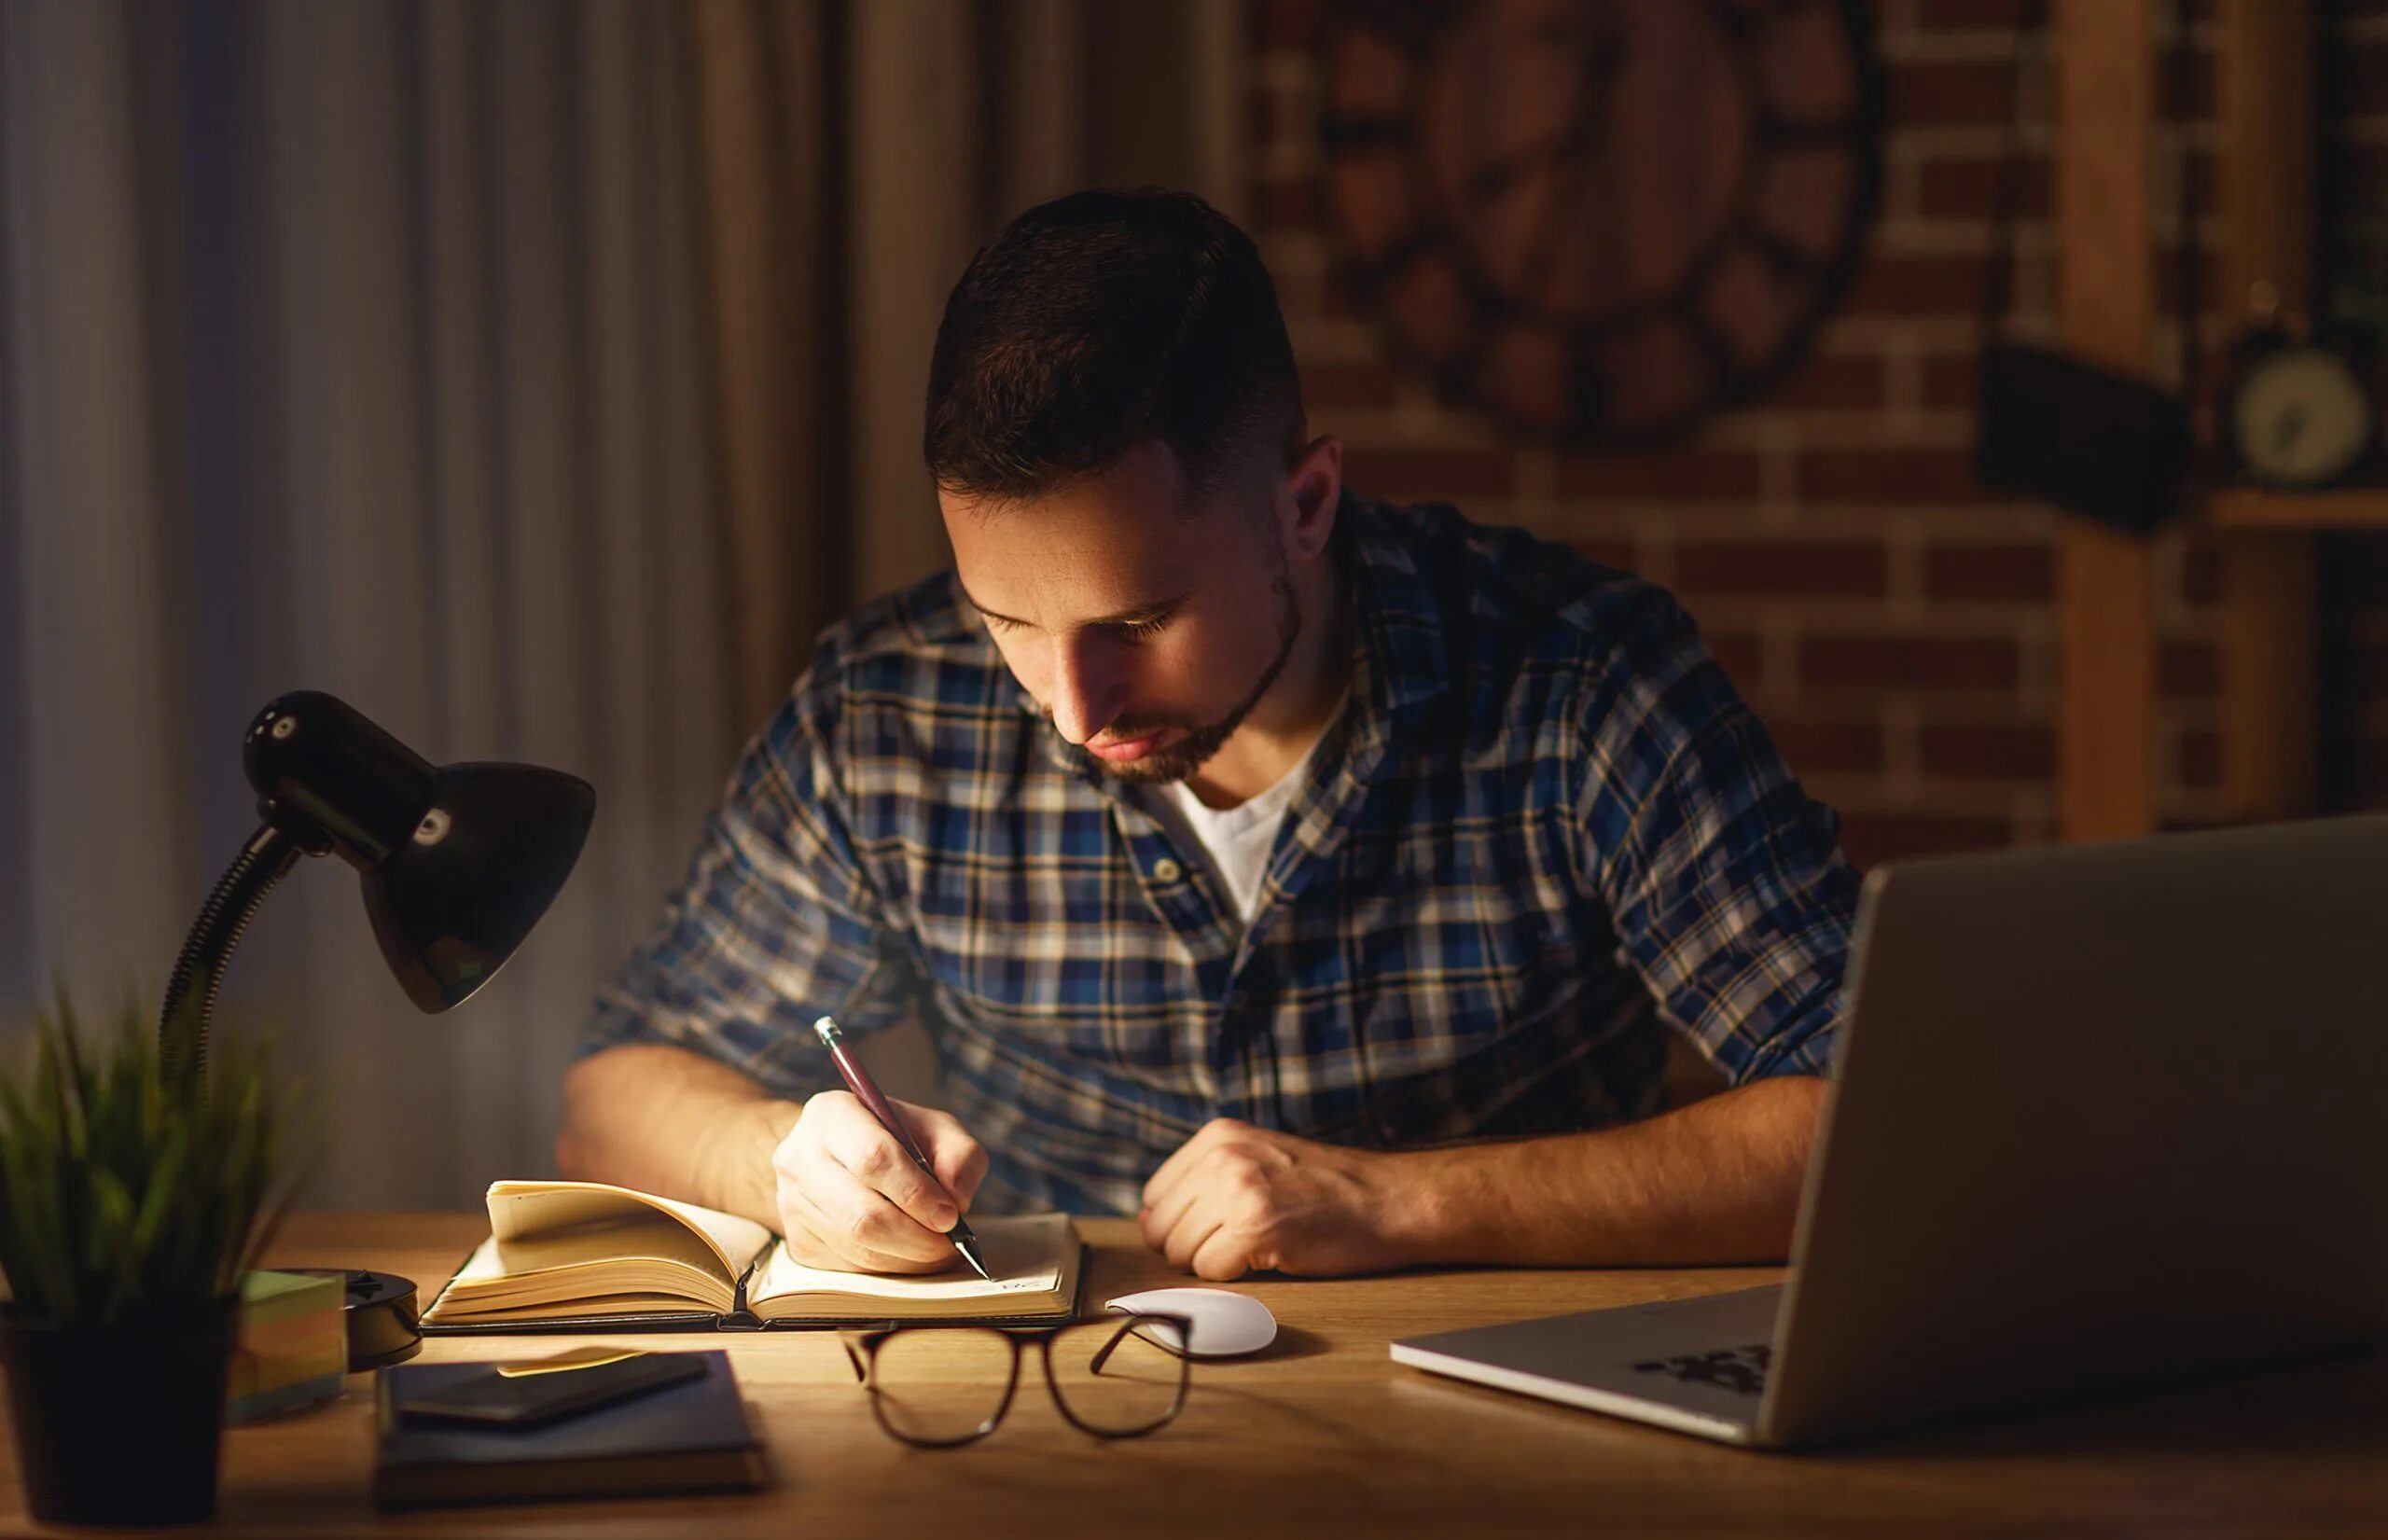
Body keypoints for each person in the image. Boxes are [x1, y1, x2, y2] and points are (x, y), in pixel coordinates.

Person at [559, 187, 1859, 1283]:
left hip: (1504, 1435)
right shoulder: (888, 715)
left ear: (1305, 502)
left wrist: (1400, 1204)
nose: (1075, 708)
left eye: (1140, 618)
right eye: (1006, 618)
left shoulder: (1581, 678)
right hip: (1053, 1435)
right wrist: (785, 1162)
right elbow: (609, 1095)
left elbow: (1873, 1121)